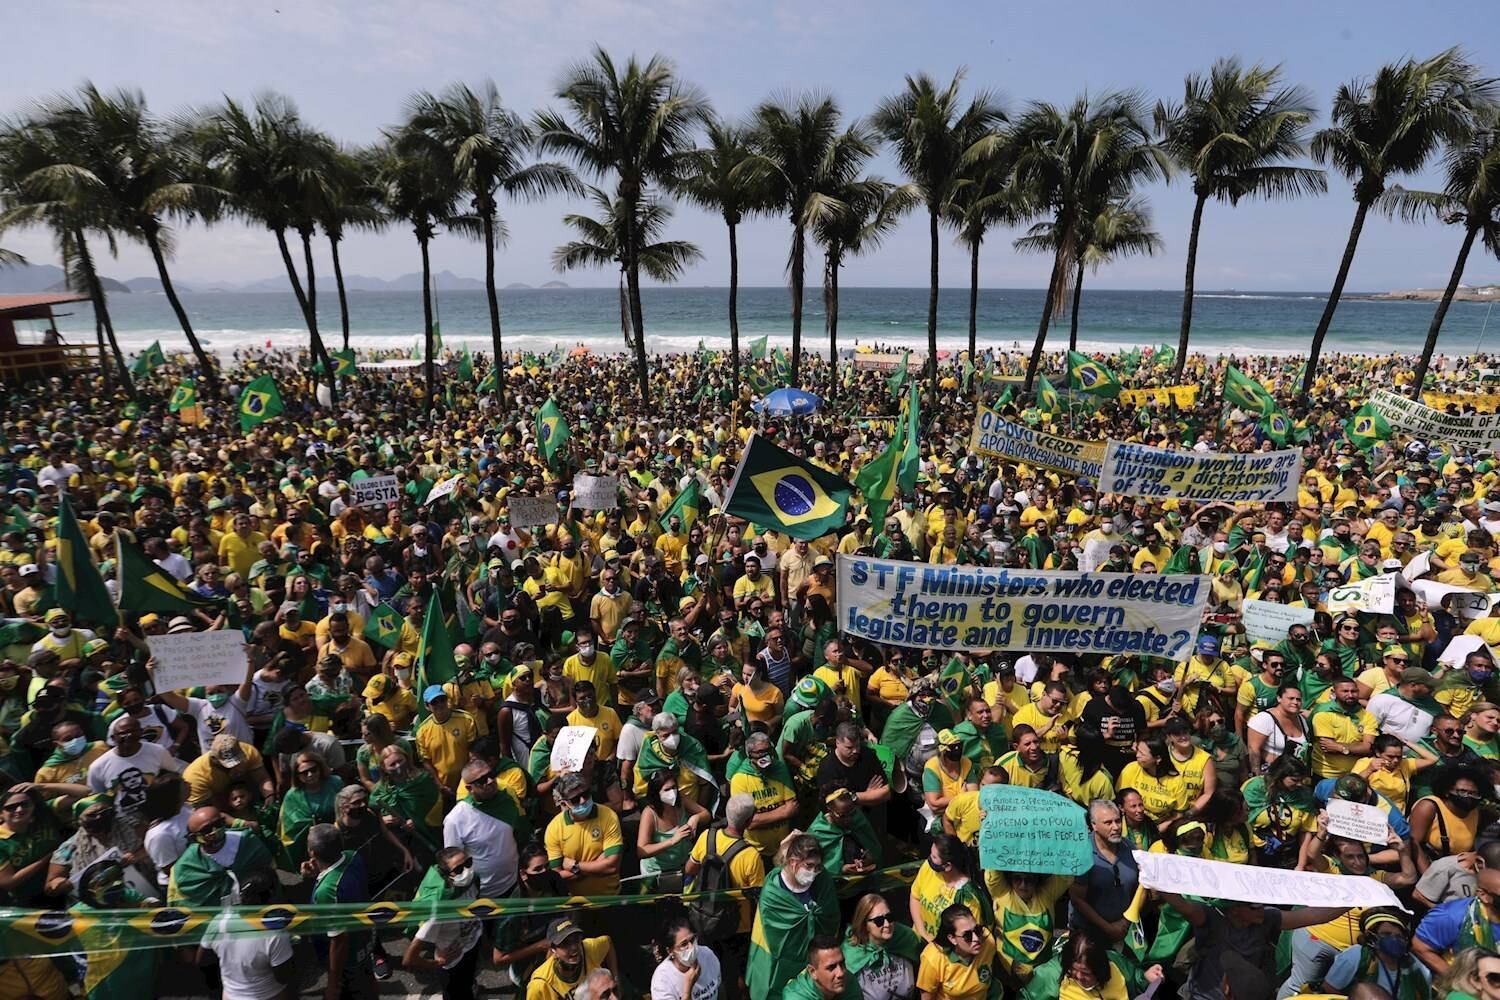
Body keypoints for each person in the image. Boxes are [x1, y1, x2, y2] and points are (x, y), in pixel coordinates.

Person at [747, 834, 840, 1000]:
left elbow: (830, 915)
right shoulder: (773, 893)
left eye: (817, 867)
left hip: (815, 964)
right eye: (809, 866)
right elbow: (775, 935)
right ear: (792, 862)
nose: (813, 872)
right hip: (780, 966)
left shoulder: (822, 881)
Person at [403, 846, 485, 1000]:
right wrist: (437, 962)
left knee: (467, 984)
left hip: (471, 947)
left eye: (468, 863)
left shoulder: (473, 881)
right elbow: (409, 959)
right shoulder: (440, 910)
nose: (467, 871)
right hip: (453, 965)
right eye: (459, 869)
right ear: (447, 875)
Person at [305, 823, 375, 1000]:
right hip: (365, 944)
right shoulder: (353, 856)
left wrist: (332, 985)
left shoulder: (328, 891)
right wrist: (317, 875)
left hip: (348, 962)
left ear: (312, 853)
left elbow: (338, 942)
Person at [544, 771, 623, 896]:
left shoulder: (609, 816)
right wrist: (598, 865)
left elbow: (612, 867)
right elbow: (557, 875)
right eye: (575, 799)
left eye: (586, 794)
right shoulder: (554, 829)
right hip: (576, 902)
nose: (583, 801)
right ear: (564, 804)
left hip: (610, 896)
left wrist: (575, 866)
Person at [843, 891, 922, 1000]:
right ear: (865, 925)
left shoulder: (905, 940)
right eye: (879, 921)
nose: (887, 924)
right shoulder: (852, 955)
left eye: (889, 917)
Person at [916, 902, 999, 1000]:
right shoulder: (933, 958)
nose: (976, 938)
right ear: (952, 939)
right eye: (967, 935)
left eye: (977, 930)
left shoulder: (987, 940)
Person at [526, 916, 619, 1000]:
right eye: (565, 943)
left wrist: (615, 978)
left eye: (576, 940)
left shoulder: (588, 949)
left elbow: (608, 942)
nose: (574, 947)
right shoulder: (540, 985)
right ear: (553, 949)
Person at [651, 913, 724, 1000]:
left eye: (692, 939)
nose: (691, 947)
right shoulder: (662, 980)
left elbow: (719, 988)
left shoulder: (707, 955)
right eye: (684, 944)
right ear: (670, 951)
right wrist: (688, 987)